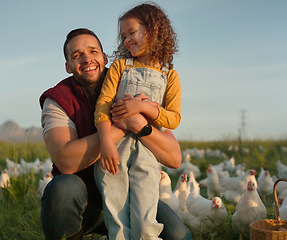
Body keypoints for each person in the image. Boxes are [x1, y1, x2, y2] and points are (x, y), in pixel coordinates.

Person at [39, 28, 191, 240]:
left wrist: (140, 124)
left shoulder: (130, 81)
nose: (86, 59)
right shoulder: (57, 99)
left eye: (93, 51)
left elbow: (174, 158)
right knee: (63, 189)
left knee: (179, 236)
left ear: (104, 57)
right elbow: (66, 161)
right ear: (68, 66)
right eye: (76, 56)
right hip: (85, 202)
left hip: (132, 193)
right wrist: (123, 125)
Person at [93, 3, 181, 239]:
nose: (126, 40)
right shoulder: (121, 67)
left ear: (153, 31)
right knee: (118, 223)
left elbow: (173, 119)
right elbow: (103, 104)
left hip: (148, 152)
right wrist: (106, 143)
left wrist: (143, 107)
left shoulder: (170, 76)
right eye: (123, 36)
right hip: (115, 152)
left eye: (131, 32)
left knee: (145, 223)